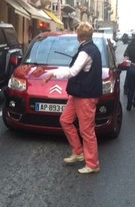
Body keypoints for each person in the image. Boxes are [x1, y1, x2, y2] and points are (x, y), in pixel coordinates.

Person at [43, 22, 102, 174]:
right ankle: (78, 152)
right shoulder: (90, 48)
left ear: (78, 35)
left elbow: (73, 71)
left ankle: (93, 164)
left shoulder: (86, 51)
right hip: (79, 94)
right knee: (65, 120)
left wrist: (53, 73)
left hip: (85, 96)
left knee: (87, 131)